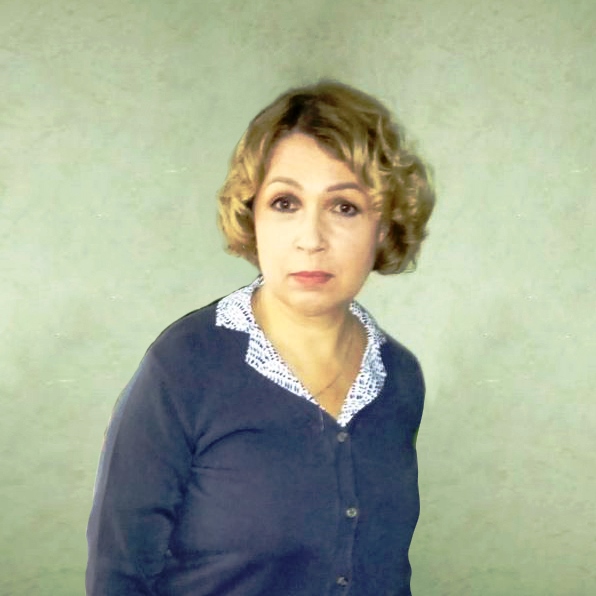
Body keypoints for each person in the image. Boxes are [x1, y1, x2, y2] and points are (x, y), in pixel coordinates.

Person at [86, 80, 435, 596]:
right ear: (252, 217)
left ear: (383, 228)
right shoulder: (184, 367)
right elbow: (119, 574)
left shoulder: (399, 378)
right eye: (285, 202)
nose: (311, 239)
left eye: (344, 207)